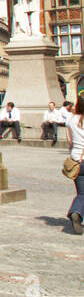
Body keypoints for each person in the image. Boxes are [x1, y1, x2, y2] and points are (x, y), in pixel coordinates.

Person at [66, 99, 84, 235]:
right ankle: (77, 212)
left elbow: (70, 141)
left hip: (77, 160)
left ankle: (76, 212)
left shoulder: (71, 120)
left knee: (82, 193)